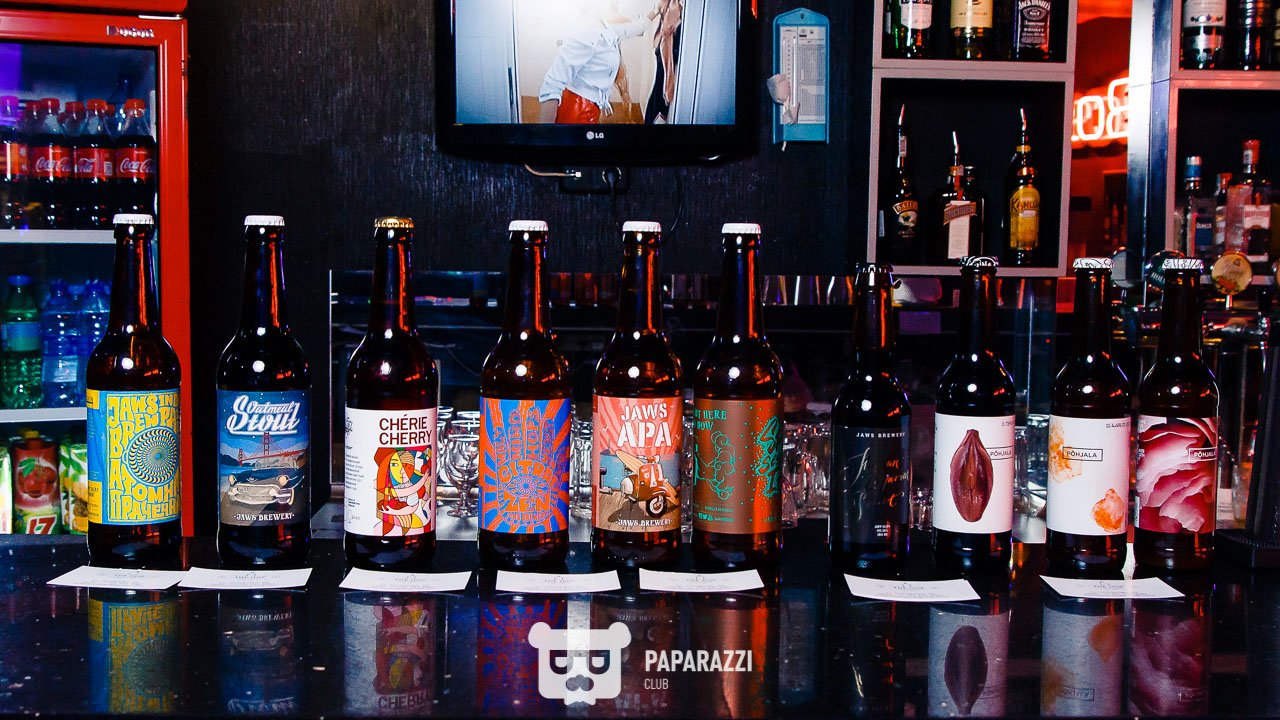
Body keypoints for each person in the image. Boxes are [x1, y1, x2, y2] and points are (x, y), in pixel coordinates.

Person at [537, 0, 657, 124]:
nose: (618, 2)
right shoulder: (583, 32)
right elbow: (552, 85)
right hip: (576, 111)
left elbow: (629, 29)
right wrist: (546, 133)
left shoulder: (602, 26)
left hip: (589, 109)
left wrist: (657, 10)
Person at [644, 0, 683, 124]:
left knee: (659, 88)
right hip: (664, 49)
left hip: (664, 48)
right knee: (660, 89)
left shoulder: (673, 4)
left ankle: (651, 120)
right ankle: (653, 120)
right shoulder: (673, 5)